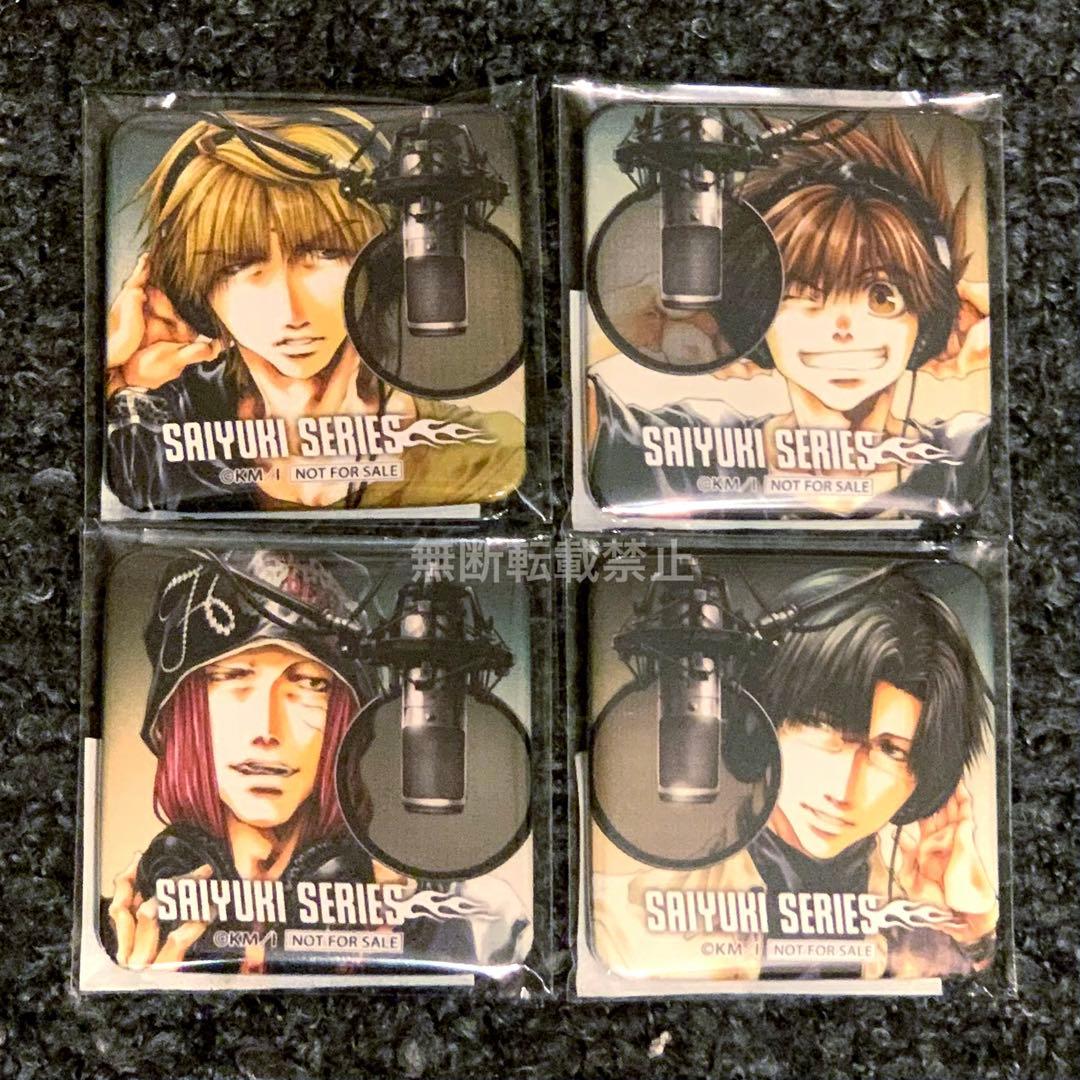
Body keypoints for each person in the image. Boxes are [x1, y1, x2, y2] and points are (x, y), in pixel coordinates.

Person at [590, 566, 998, 982]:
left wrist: (972, 935)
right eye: (821, 725)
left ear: (924, 781)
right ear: (758, 725)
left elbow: (973, 997)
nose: (844, 788)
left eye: (891, 750)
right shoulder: (620, 925)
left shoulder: (925, 924)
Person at [105, 108, 523, 512]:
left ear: (383, 266)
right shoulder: (154, 431)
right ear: (195, 295)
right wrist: (106, 376)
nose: (290, 310)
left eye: (325, 253)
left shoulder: (481, 455)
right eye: (239, 265)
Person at [587, 116, 991, 520]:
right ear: (755, 313)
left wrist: (997, 319)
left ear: (928, 319)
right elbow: (573, 411)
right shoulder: (697, 447)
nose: (843, 328)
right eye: (803, 294)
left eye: (881, 296)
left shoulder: (964, 455)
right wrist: (628, 321)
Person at [103, 550, 475, 974]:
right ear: (183, 709)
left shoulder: (423, 926)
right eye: (232, 677)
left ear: (346, 718)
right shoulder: (115, 936)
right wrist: (137, 990)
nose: (267, 729)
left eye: (310, 683)